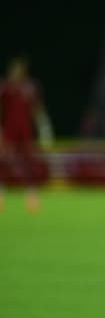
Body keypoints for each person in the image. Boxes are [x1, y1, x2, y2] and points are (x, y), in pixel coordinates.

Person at [0, 55, 53, 213]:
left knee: (29, 163)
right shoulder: (5, 87)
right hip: (9, 132)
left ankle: (32, 194)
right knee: (3, 162)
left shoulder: (31, 87)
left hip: (25, 133)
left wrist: (44, 128)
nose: (16, 73)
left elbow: (37, 109)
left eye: (19, 71)